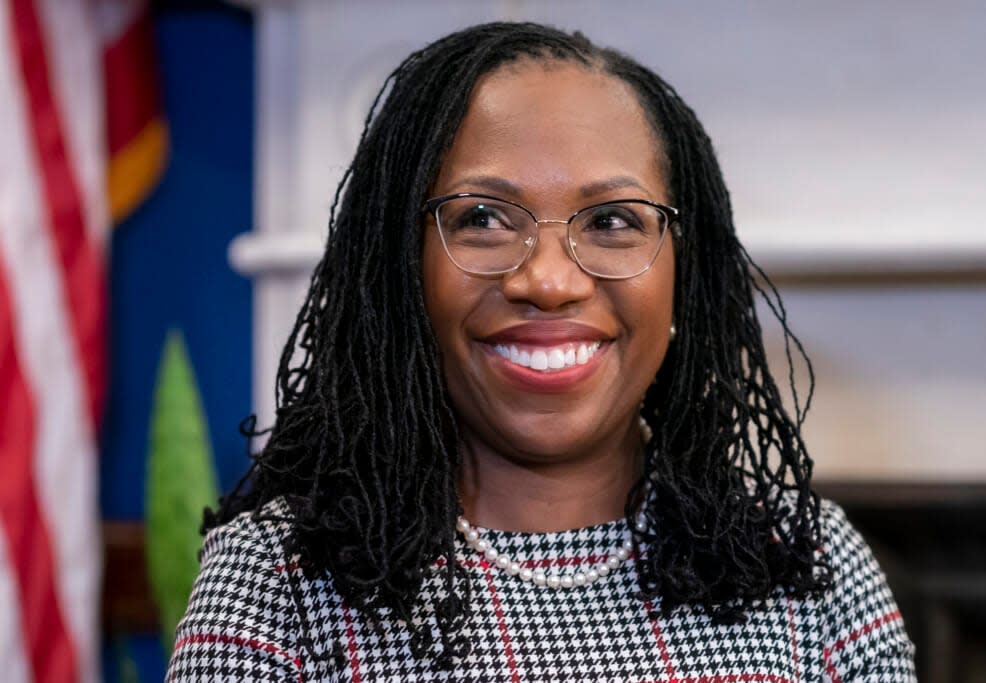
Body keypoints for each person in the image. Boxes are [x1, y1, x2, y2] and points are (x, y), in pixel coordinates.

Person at [167, 22, 916, 682]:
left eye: (614, 219)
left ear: (685, 272)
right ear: (401, 270)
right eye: (483, 217)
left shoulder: (807, 566)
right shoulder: (277, 581)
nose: (549, 280)